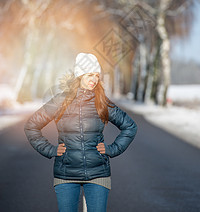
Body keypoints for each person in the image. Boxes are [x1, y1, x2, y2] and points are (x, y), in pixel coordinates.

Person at [24, 52, 138, 212]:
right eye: (89, 75)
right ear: (79, 75)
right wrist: (51, 150)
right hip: (65, 175)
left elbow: (130, 126)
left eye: (97, 75)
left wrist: (112, 149)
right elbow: (31, 126)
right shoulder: (60, 101)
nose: (94, 80)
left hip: (98, 173)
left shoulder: (101, 102)